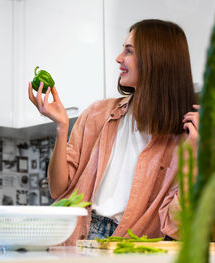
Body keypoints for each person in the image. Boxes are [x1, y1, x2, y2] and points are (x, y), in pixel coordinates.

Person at [28, 19, 199, 245]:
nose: (119, 58)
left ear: (155, 59)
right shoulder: (97, 114)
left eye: (128, 51)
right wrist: (61, 127)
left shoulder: (184, 137)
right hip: (79, 238)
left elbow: (176, 226)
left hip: (131, 247)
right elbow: (58, 189)